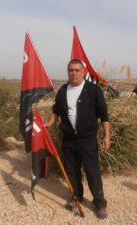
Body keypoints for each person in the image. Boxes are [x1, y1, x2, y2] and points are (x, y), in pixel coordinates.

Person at [46, 59, 110, 219]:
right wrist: (50, 122)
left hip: (87, 140)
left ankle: (100, 204)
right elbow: (56, 110)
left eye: (77, 70)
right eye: (71, 70)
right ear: (68, 72)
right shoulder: (62, 90)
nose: (73, 73)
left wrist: (107, 135)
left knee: (92, 172)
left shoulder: (93, 90)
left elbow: (104, 115)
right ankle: (77, 197)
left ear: (83, 71)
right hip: (68, 140)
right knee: (72, 172)